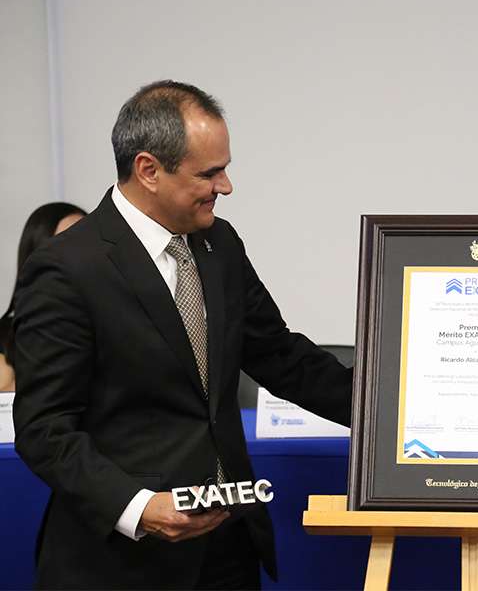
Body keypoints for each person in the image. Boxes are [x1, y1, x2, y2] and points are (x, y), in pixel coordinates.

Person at [13, 81, 353, 589]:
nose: (226, 187)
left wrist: (396, 414)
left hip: (228, 548)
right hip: (121, 563)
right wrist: (138, 507)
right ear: (148, 170)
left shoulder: (219, 243)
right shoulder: (67, 268)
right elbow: (43, 428)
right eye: (209, 173)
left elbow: (282, 357)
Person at [0, 202, 86, 391]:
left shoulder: (114, 320)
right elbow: (4, 398)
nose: (80, 255)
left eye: (87, 243)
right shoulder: (7, 333)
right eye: (67, 245)